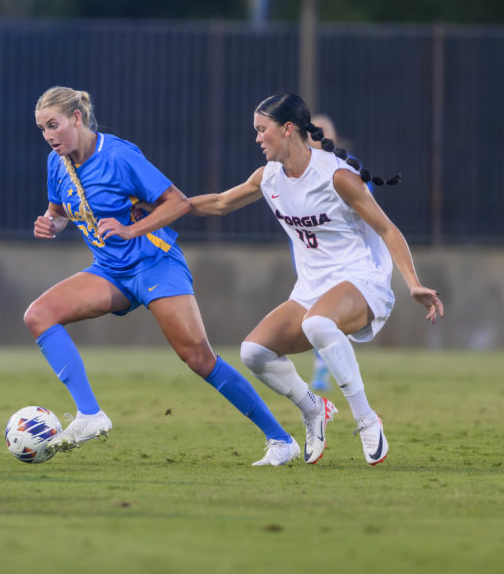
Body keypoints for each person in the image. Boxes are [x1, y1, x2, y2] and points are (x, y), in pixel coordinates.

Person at [25, 86, 300, 466]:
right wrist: (51, 224)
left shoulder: (120, 155)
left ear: (77, 118)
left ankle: (281, 440)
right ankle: (90, 415)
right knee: (38, 315)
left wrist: (129, 230)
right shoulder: (57, 163)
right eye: (42, 129)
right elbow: (59, 209)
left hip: (156, 263)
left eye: (53, 125)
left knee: (199, 358)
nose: (48, 135)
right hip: (110, 271)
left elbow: (179, 203)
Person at [188, 92, 443, 466]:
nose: (257, 138)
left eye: (263, 130)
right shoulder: (269, 176)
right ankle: (313, 409)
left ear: (288, 129)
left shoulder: (336, 176)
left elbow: (388, 230)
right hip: (311, 289)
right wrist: (161, 203)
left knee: (319, 323)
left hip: (362, 281)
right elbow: (221, 203)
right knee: (253, 352)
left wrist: (413, 283)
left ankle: (366, 419)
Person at [303, 114, 372, 392]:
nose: (318, 135)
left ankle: (332, 372)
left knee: (326, 319)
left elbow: (366, 205)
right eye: (313, 131)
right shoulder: (295, 168)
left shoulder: (346, 168)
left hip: (344, 258)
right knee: (315, 318)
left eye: (324, 131)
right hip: (312, 257)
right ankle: (326, 368)